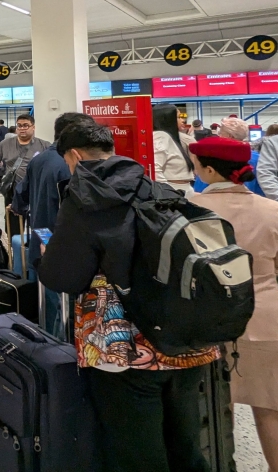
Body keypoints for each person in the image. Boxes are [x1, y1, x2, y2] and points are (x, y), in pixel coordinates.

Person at [38, 121, 218, 472]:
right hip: (185, 338)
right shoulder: (158, 187)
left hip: (125, 346)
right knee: (185, 444)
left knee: (135, 450)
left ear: (74, 156)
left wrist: (45, 258)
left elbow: (63, 276)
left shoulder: (86, 200)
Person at [190, 136, 278, 472]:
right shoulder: (273, 210)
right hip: (265, 314)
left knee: (209, 400)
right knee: (272, 406)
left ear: (209, 169)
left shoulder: (193, 210)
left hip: (207, 314)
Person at [13, 112, 95, 338]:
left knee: (47, 310)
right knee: (65, 313)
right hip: (65, 249)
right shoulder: (73, 165)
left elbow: (21, 198)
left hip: (41, 239)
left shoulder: (39, 159)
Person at [0, 112, 49, 235]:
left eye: (26, 125)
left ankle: (39, 250)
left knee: (40, 223)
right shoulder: (5, 144)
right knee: (13, 226)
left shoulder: (44, 145)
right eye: (19, 126)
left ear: (33, 127)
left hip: (36, 190)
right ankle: (13, 250)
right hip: (13, 191)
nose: (22, 128)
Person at [193, 117, 263, 195]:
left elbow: (200, 187)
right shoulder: (259, 158)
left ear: (229, 136)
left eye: (220, 132)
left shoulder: (216, 157)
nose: (218, 135)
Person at [151, 103, 195, 197]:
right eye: (178, 117)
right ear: (168, 119)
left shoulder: (172, 137)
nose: (182, 120)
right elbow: (155, 168)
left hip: (182, 191)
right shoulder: (161, 136)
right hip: (175, 193)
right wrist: (167, 194)